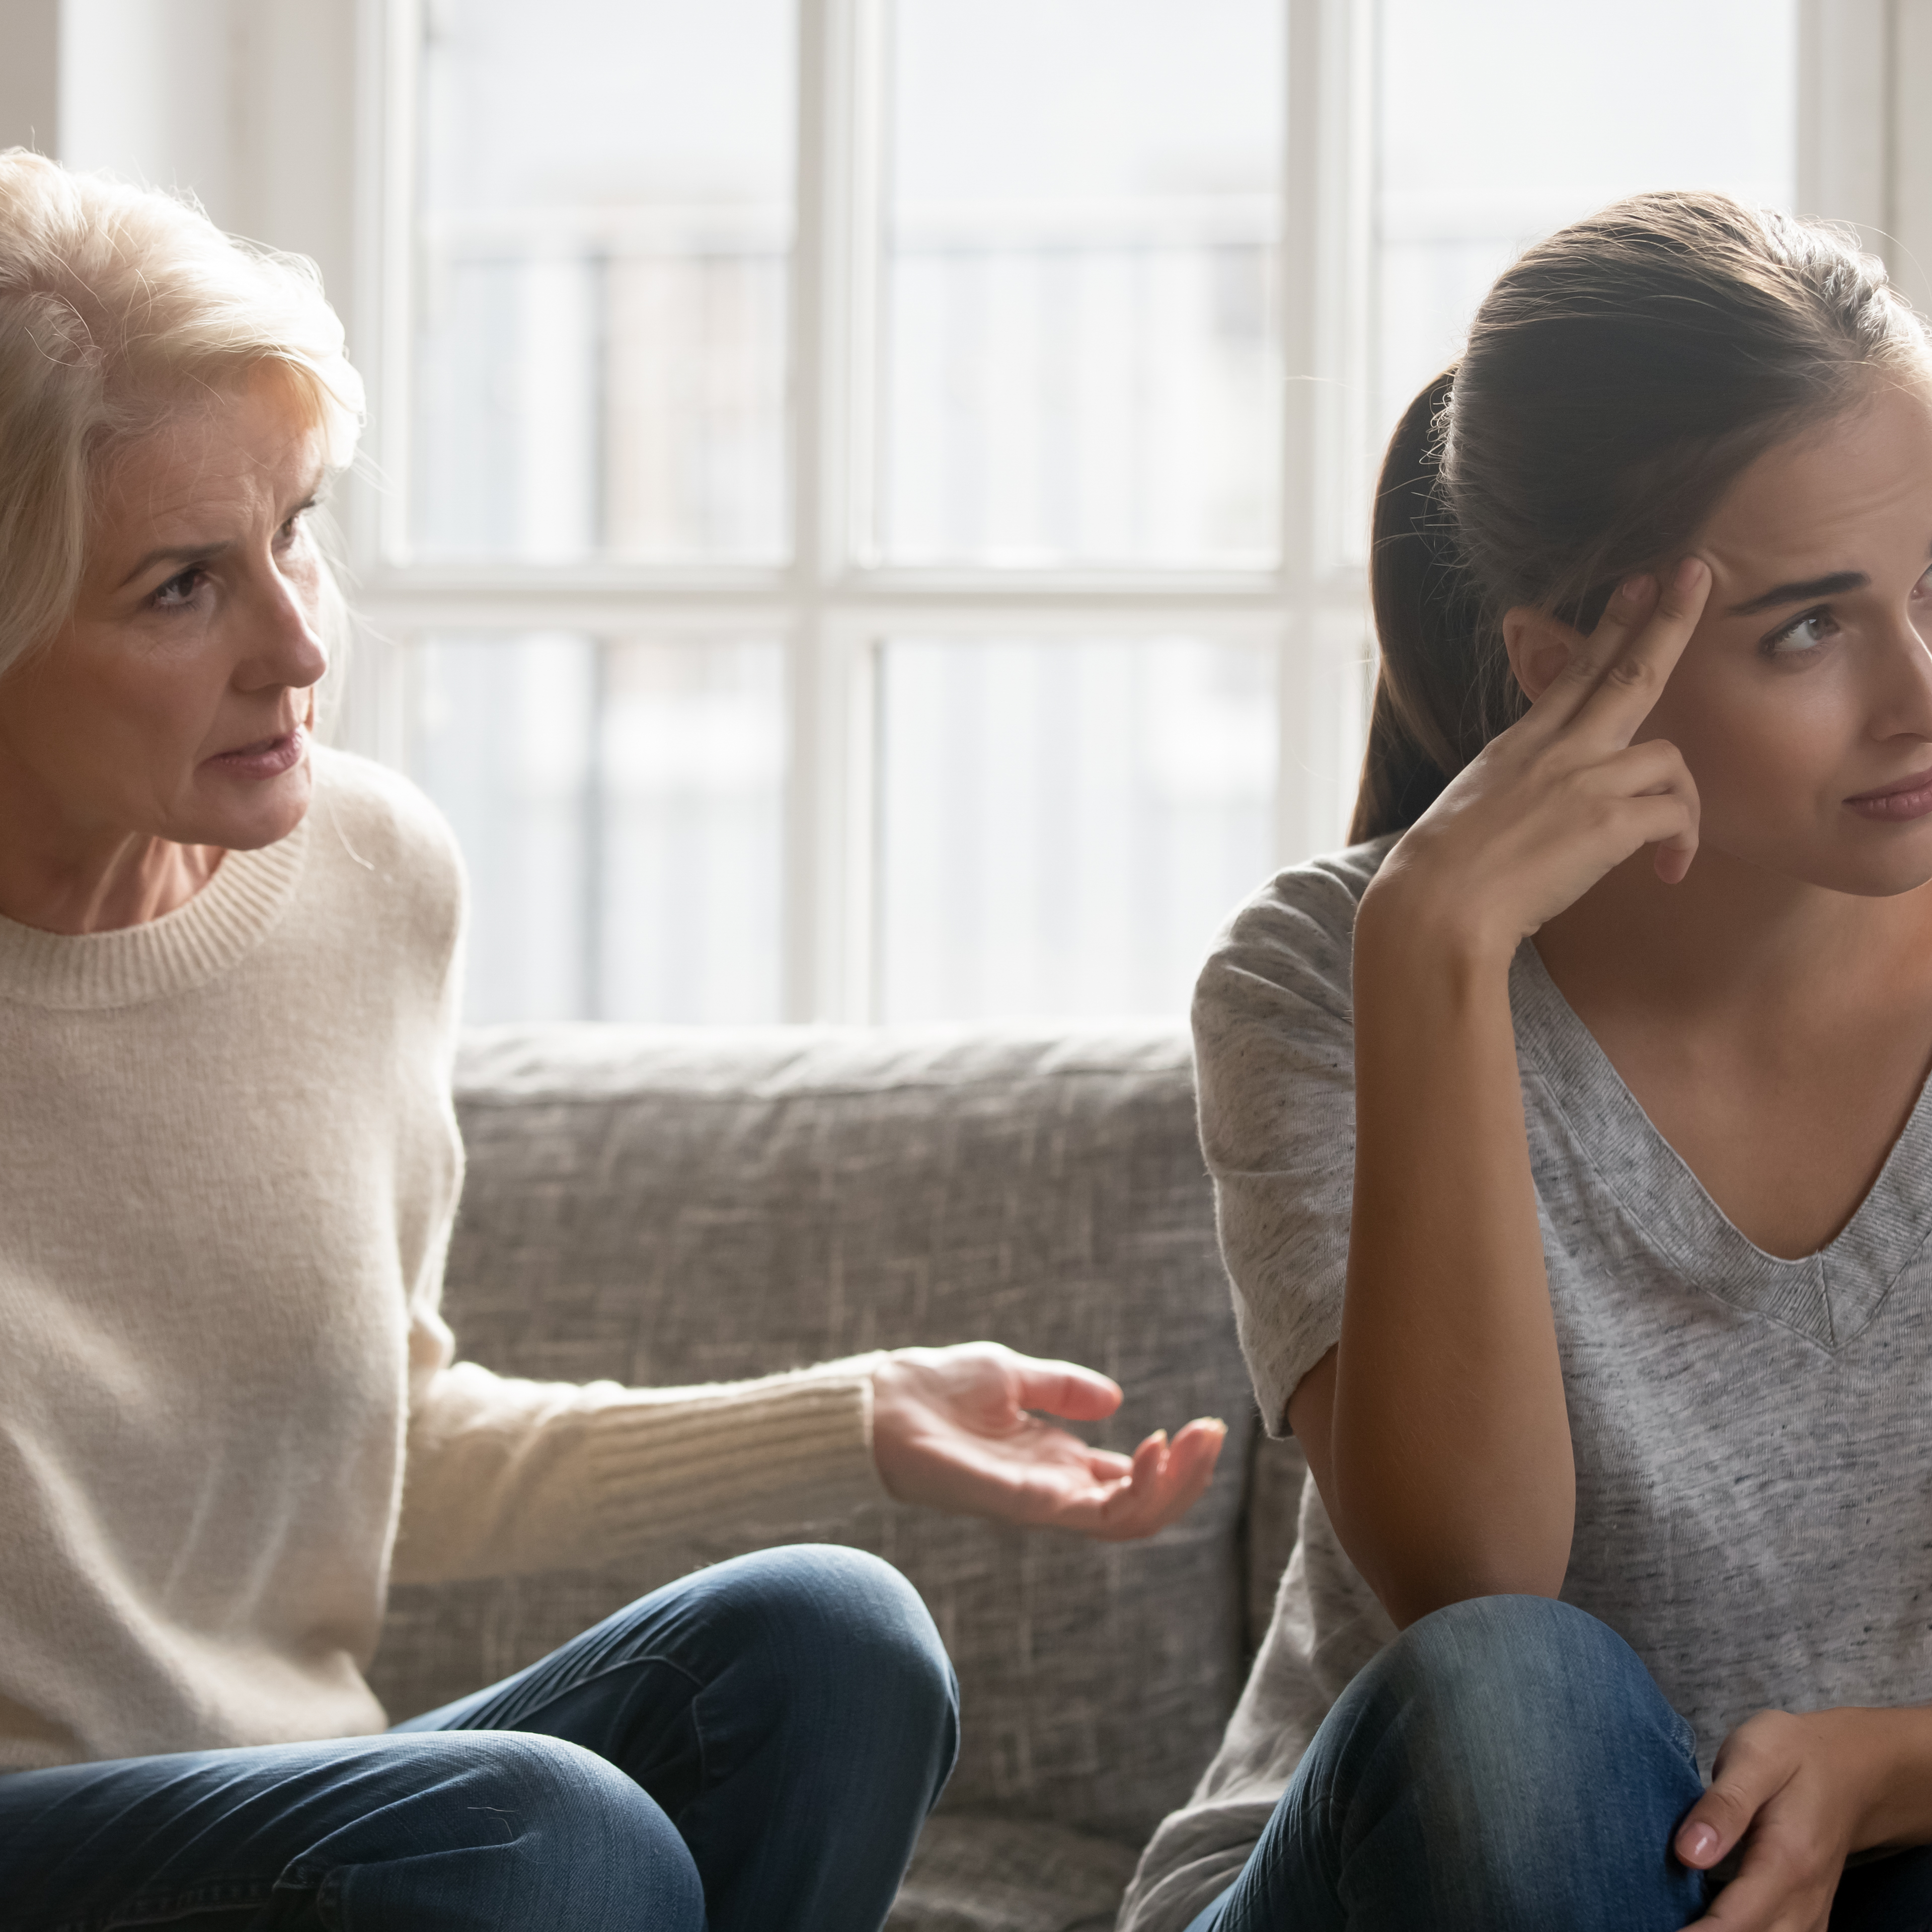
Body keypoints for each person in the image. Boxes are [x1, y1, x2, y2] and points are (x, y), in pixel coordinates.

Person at [0, 149, 1227, 1932]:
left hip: (298, 1811)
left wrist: (856, 1419)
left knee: (832, 1644)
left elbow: (389, 1444)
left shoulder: (370, 878)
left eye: (298, 529)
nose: (300, 643)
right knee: (543, 1835)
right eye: (183, 584)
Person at [1119, 191, 1932, 1932]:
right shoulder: (1320, 976)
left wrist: (1894, 1769)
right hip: (1429, 1878)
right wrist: (1437, 955)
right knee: (1519, 1695)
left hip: (1877, 1868)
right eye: (1810, 627)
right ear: (1568, 670)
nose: (1919, 689)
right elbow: (1477, 1585)